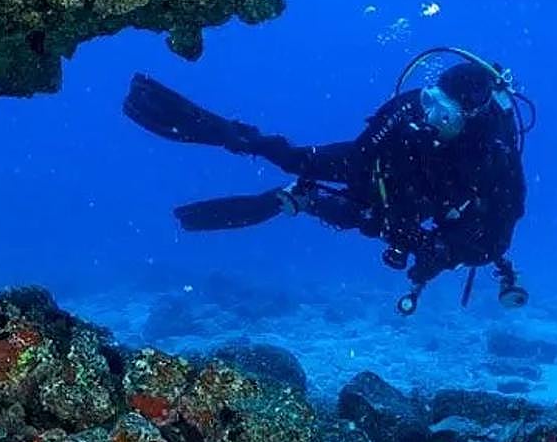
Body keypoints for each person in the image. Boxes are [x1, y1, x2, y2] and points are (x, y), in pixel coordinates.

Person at [123, 48, 534, 314]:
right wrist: (304, 164)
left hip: (435, 211)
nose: (429, 117)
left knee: (371, 218)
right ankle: (216, 130)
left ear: (473, 119)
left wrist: (438, 250)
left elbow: (496, 239)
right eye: (430, 102)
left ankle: (299, 200)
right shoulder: (409, 110)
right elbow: (360, 155)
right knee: (295, 157)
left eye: (443, 114)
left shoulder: (496, 157)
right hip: (384, 173)